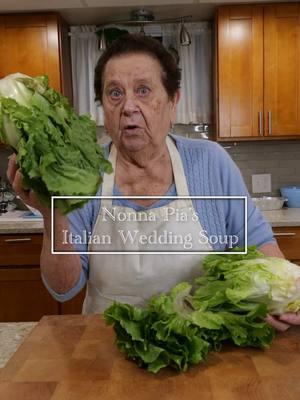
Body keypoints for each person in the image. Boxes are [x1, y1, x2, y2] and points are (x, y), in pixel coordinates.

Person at [7, 34, 299, 331]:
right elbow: (63, 288)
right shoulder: (81, 174)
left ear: (173, 102)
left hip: (201, 347)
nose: (129, 106)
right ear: (103, 109)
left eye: (143, 90)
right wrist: (51, 214)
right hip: (107, 350)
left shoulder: (211, 163)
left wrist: (288, 297)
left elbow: (260, 246)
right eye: (115, 93)